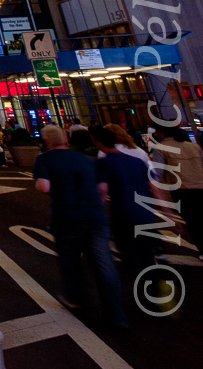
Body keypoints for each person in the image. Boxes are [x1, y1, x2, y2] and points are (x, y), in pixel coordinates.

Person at [32, 125, 127, 326]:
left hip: (66, 215)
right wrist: (94, 206)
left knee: (69, 259)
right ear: (66, 139)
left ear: (46, 141)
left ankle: (76, 299)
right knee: (104, 264)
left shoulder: (44, 159)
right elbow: (103, 188)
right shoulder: (87, 159)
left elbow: (44, 186)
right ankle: (115, 313)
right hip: (95, 216)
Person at [94, 128, 160, 273]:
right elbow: (154, 186)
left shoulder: (103, 161)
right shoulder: (139, 156)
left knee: (129, 252)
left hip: (123, 213)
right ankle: (157, 282)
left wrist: (96, 210)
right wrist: (166, 212)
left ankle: (146, 282)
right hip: (145, 212)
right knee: (146, 251)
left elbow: (103, 190)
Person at [150, 126, 203, 260]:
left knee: (194, 223)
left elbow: (156, 174)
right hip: (201, 187)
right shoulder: (193, 146)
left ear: (161, 134)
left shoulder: (161, 148)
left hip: (183, 191)